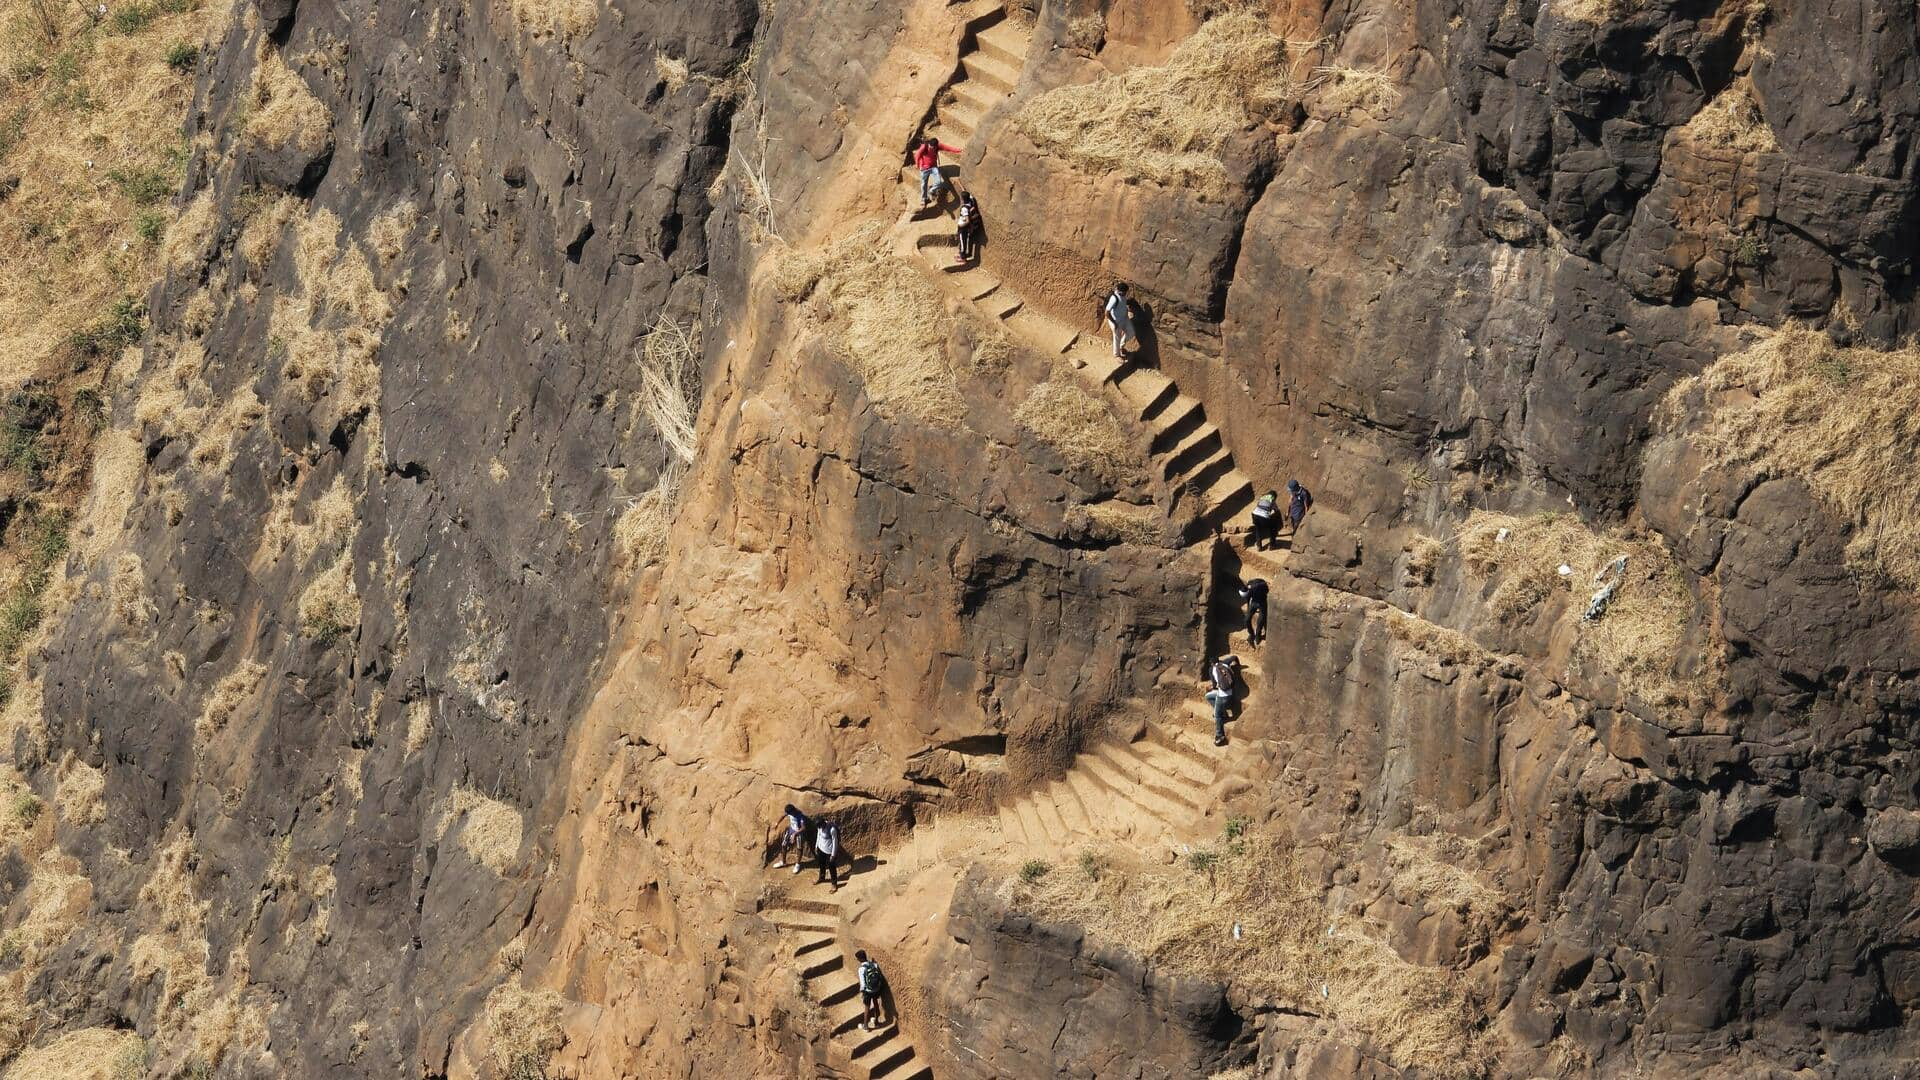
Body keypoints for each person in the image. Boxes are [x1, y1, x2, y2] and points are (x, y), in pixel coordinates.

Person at [911, 137, 962, 206]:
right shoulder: (924, 146)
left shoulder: (938, 146)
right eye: (930, 146)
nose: (931, 148)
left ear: (936, 146)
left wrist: (959, 150)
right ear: (929, 144)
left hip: (933, 167)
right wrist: (917, 165)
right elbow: (917, 155)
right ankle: (924, 199)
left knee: (939, 182)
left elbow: (948, 148)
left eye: (932, 147)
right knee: (924, 184)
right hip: (924, 168)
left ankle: (931, 191)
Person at [1103, 282, 1136, 360]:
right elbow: (1106, 313)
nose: (1125, 293)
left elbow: (1122, 303)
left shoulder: (1123, 295)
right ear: (1119, 291)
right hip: (1116, 321)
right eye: (1124, 292)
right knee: (1117, 337)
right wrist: (1114, 323)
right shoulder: (1114, 298)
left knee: (1131, 333)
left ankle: (1121, 346)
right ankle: (1117, 355)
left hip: (1124, 318)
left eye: (1126, 292)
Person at [773, 804, 810, 873]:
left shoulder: (800, 816)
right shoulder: (789, 812)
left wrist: (795, 834)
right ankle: (783, 862)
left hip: (798, 832)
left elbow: (803, 827)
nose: (788, 814)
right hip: (791, 830)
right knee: (784, 845)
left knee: (799, 848)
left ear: (793, 811)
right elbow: (783, 816)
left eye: (790, 813)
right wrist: (777, 823)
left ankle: (798, 864)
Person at [856, 950, 888, 1030]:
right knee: (876, 1004)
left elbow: (863, 983)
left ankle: (865, 1026)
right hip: (876, 989)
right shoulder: (874, 965)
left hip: (868, 991)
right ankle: (876, 1022)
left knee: (867, 1007)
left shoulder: (861, 969)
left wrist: (862, 992)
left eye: (857, 958)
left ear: (860, 959)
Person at [814, 817, 843, 889]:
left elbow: (835, 842)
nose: (820, 828)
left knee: (831, 867)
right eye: (819, 827)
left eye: (821, 826)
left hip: (829, 851)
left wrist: (833, 855)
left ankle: (834, 883)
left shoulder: (832, 829)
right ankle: (822, 877)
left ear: (824, 823)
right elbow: (818, 836)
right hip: (821, 849)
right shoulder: (819, 827)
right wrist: (816, 846)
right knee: (821, 864)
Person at [1239, 577, 1268, 646]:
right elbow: (1248, 599)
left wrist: (1256, 586)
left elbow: (1265, 585)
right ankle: (1251, 634)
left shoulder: (1256, 586)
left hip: (1262, 602)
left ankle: (1258, 635)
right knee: (1247, 619)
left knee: (1260, 621)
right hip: (1254, 602)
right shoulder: (1247, 589)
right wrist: (1249, 609)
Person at [955, 191, 981, 264]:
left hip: (963, 228)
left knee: (963, 242)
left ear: (962, 199)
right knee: (961, 241)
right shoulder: (970, 202)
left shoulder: (964, 209)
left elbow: (967, 220)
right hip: (965, 228)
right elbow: (969, 195)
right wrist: (959, 183)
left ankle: (963, 259)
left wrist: (961, 226)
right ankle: (961, 255)